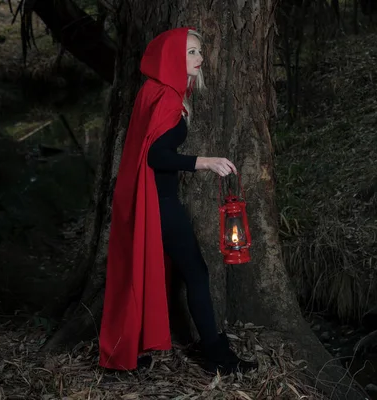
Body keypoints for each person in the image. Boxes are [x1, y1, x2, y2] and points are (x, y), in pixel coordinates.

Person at [98, 27, 257, 375]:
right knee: (197, 273)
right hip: (159, 201)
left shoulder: (155, 91)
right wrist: (204, 162)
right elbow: (156, 156)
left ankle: (133, 348)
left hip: (152, 198)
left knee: (159, 271)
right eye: (191, 53)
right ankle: (217, 356)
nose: (200, 58)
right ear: (173, 56)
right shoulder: (167, 97)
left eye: (200, 51)